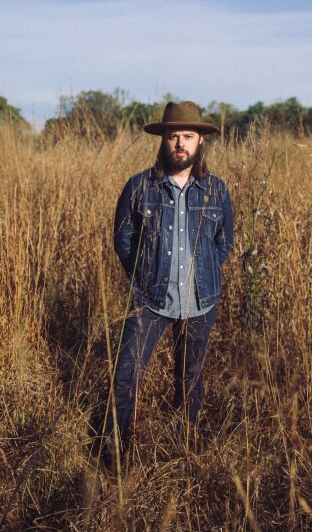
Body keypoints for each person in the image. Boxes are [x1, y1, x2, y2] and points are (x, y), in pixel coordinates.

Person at [103, 100, 234, 467]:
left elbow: (223, 243)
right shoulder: (140, 187)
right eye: (173, 135)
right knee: (125, 374)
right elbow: (123, 240)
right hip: (149, 300)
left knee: (189, 380)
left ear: (200, 142)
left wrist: (204, 274)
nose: (180, 143)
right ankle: (115, 457)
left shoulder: (216, 191)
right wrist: (144, 277)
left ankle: (185, 451)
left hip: (199, 303)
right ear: (163, 140)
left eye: (188, 136)